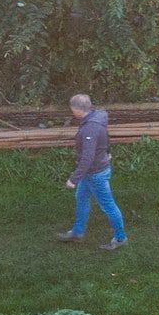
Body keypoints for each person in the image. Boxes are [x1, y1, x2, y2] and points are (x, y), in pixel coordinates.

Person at [55, 94, 126, 248]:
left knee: (108, 206)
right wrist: (108, 150)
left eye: (72, 108)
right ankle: (77, 233)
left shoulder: (90, 128)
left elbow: (87, 157)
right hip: (92, 172)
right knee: (81, 197)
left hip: (96, 173)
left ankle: (121, 239)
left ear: (77, 110)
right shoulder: (97, 117)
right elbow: (106, 135)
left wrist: (74, 179)